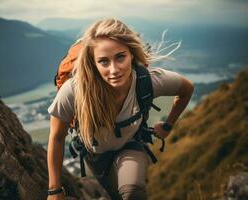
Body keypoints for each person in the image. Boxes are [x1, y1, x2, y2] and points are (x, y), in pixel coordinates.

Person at [46, 18, 194, 200]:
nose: (114, 70)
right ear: (93, 63)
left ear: (132, 54)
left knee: (132, 192)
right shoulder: (75, 91)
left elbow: (186, 90)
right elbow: (57, 136)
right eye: (103, 62)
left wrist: (168, 126)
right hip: (96, 156)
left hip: (131, 145)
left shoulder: (148, 81)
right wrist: (54, 190)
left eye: (120, 57)